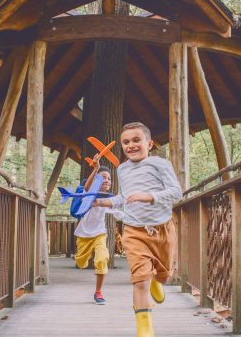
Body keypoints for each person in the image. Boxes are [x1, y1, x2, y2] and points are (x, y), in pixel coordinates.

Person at [94, 122, 182, 336]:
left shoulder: (160, 164)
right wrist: (101, 202)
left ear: (149, 143)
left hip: (162, 229)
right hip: (133, 230)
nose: (131, 145)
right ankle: (144, 330)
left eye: (136, 140)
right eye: (126, 142)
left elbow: (176, 193)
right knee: (139, 280)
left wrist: (149, 196)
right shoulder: (122, 169)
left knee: (162, 276)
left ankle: (157, 280)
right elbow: (124, 197)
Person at [74, 155, 122, 305]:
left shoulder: (109, 198)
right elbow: (88, 188)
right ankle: (82, 258)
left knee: (102, 259)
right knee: (81, 263)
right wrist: (95, 169)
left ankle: (98, 292)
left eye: (109, 178)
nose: (107, 180)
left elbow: (119, 210)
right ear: (96, 181)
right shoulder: (87, 194)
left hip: (99, 233)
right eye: (103, 178)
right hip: (83, 234)